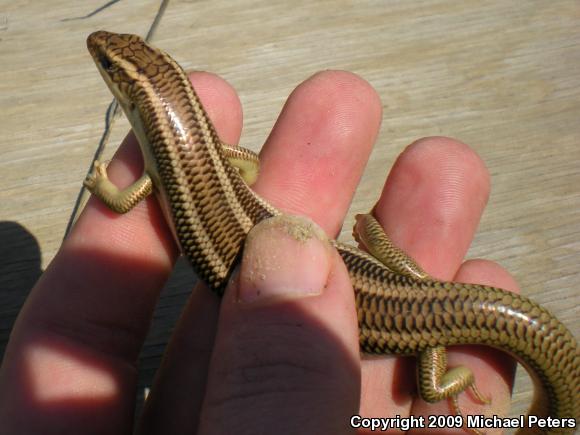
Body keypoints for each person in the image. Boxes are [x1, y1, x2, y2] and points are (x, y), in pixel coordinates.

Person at [0, 71, 517, 434]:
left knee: (429, 386)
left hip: (402, 317)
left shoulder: (159, 173)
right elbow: (245, 166)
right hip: (410, 301)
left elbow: (123, 196)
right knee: (427, 338)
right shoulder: (204, 168)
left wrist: (103, 186)